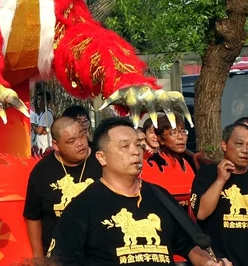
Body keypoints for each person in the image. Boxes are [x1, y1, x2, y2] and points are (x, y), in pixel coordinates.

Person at [50, 117, 229, 266]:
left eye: (138, 145)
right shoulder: (82, 207)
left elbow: (188, 244)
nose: (135, 152)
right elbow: (62, 260)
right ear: (102, 157)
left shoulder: (161, 197)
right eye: (125, 146)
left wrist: (208, 263)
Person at [24, 116, 102, 258]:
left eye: (82, 136)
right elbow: (32, 216)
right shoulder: (42, 172)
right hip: (61, 255)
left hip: (100, 252)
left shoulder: (102, 158)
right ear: (56, 145)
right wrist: (38, 257)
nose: (80, 144)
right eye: (71, 141)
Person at [190, 121, 248, 266]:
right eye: (239, 144)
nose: (245, 150)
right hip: (221, 260)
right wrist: (220, 180)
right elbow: (201, 213)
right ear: (224, 145)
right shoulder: (208, 173)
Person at [142, 114, 196, 208]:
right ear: (160, 139)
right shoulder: (150, 163)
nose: (180, 137)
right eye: (173, 133)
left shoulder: (194, 162)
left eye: (183, 131)